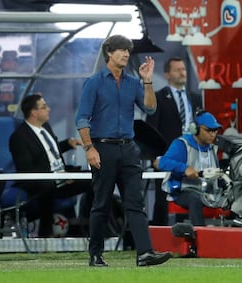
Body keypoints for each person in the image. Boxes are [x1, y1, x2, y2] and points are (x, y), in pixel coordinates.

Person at [75, 34, 172, 267]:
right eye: (122, 50)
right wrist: (89, 148)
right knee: (101, 203)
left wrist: (147, 81)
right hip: (103, 148)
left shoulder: (133, 83)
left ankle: (145, 253)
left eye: (128, 50)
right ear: (109, 53)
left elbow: (149, 108)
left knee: (135, 203)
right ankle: (96, 254)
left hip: (129, 149)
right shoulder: (94, 82)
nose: (127, 54)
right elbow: (82, 119)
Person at [9, 93, 91, 238]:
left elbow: (47, 151)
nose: (49, 109)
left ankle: (92, 228)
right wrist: (57, 177)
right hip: (41, 183)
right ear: (34, 112)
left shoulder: (45, 126)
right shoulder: (19, 138)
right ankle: (45, 236)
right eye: (44, 107)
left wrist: (67, 144)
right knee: (46, 187)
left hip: (61, 179)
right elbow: (27, 169)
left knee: (95, 179)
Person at [146, 57, 203, 226]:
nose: (182, 72)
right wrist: (155, 157)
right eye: (177, 69)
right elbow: (151, 130)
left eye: (184, 69)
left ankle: (193, 234)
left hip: (192, 157)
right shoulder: (159, 98)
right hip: (167, 157)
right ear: (167, 74)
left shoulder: (195, 98)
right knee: (163, 200)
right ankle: (158, 237)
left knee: (192, 196)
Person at [158, 111, 222, 226]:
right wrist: (184, 168)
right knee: (195, 199)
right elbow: (163, 162)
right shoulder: (182, 144)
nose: (213, 134)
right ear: (195, 129)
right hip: (183, 191)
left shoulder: (212, 148)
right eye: (208, 130)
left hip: (206, 192)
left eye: (215, 131)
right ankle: (199, 238)